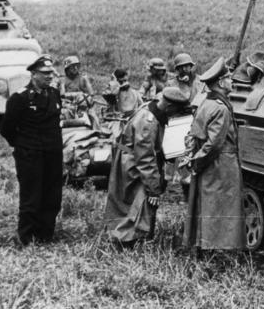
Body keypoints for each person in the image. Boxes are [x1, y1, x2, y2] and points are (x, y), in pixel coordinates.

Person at [103, 87, 190, 245]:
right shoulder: (148, 121)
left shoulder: (151, 106)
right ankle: (131, 239)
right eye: (174, 112)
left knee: (127, 201)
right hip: (133, 164)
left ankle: (127, 236)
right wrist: (154, 189)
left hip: (131, 159)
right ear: (169, 107)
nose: (172, 117)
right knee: (141, 200)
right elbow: (145, 159)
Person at [0, 55, 63, 245]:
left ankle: (46, 234)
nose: (49, 77)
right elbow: (6, 129)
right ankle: (26, 237)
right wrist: (23, 145)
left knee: (52, 195)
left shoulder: (53, 94)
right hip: (30, 154)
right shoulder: (20, 98)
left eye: (51, 73)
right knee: (31, 196)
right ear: (33, 74)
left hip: (52, 153)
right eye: (44, 73)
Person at [183, 57, 245, 252]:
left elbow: (194, 135)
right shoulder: (220, 108)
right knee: (221, 207)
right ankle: (217, 250)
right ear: (220, 82)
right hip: (221, 165)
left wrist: (194, 161)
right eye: (228, 78)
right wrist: (197, 163)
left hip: (210, 165)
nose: (232, 81)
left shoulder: (206, 103)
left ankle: (204, 245)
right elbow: (214, 144)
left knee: (207, 205)